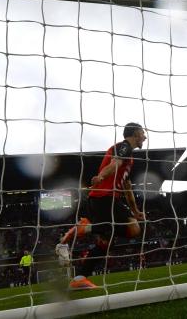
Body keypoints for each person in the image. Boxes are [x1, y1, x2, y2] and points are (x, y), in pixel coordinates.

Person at [62, 122, 146, 289]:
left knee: (106, 243)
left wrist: (136, 210)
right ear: (136, 133)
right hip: (104, 198)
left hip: (103, 199)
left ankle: (79, 278)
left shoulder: (129, 159)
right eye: (142, 133)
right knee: (134, 228)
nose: (145, 136)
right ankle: (85, 228)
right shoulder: (124, 147)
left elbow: (127, 187)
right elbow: (114, 164)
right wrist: (101, 177)